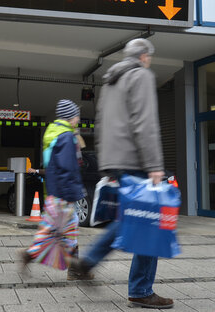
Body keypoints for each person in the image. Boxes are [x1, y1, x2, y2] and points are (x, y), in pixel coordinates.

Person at [70, 38, 173, 309]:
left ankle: (88, 263)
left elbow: (101, 124)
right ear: (144, 56)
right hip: (137, 161)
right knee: (149, 222)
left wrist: (108, 165)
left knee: (132, 219)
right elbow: (145, 122)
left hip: (118, 161)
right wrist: (154, 165)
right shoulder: (140, 75)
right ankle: (140, 290)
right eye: (149, 57)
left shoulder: (110, 82)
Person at [20, 99, 92, 280]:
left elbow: (52, 166)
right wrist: (72, 194)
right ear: (70, 117)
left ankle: (32, 255)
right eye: (77, 115)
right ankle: (73, 269)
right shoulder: (66, 137)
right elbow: (68, 167)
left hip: (55, 191)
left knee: (60, 230)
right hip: (63, 194)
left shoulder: (55, 133)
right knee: (64, 232)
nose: (78, 119)